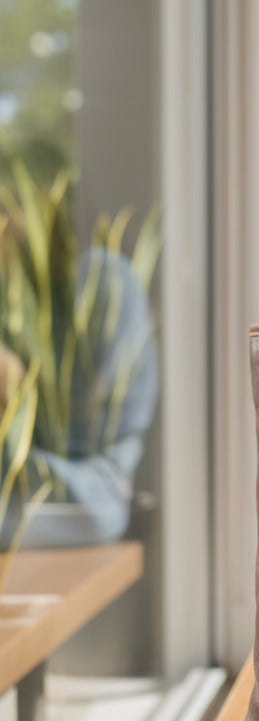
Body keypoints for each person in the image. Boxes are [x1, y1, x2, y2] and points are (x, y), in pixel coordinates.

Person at [0, 143, 159, 549]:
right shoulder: (11, 303)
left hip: (80, 503)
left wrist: (20, 394)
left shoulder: (102, 288)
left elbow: (100, 498)